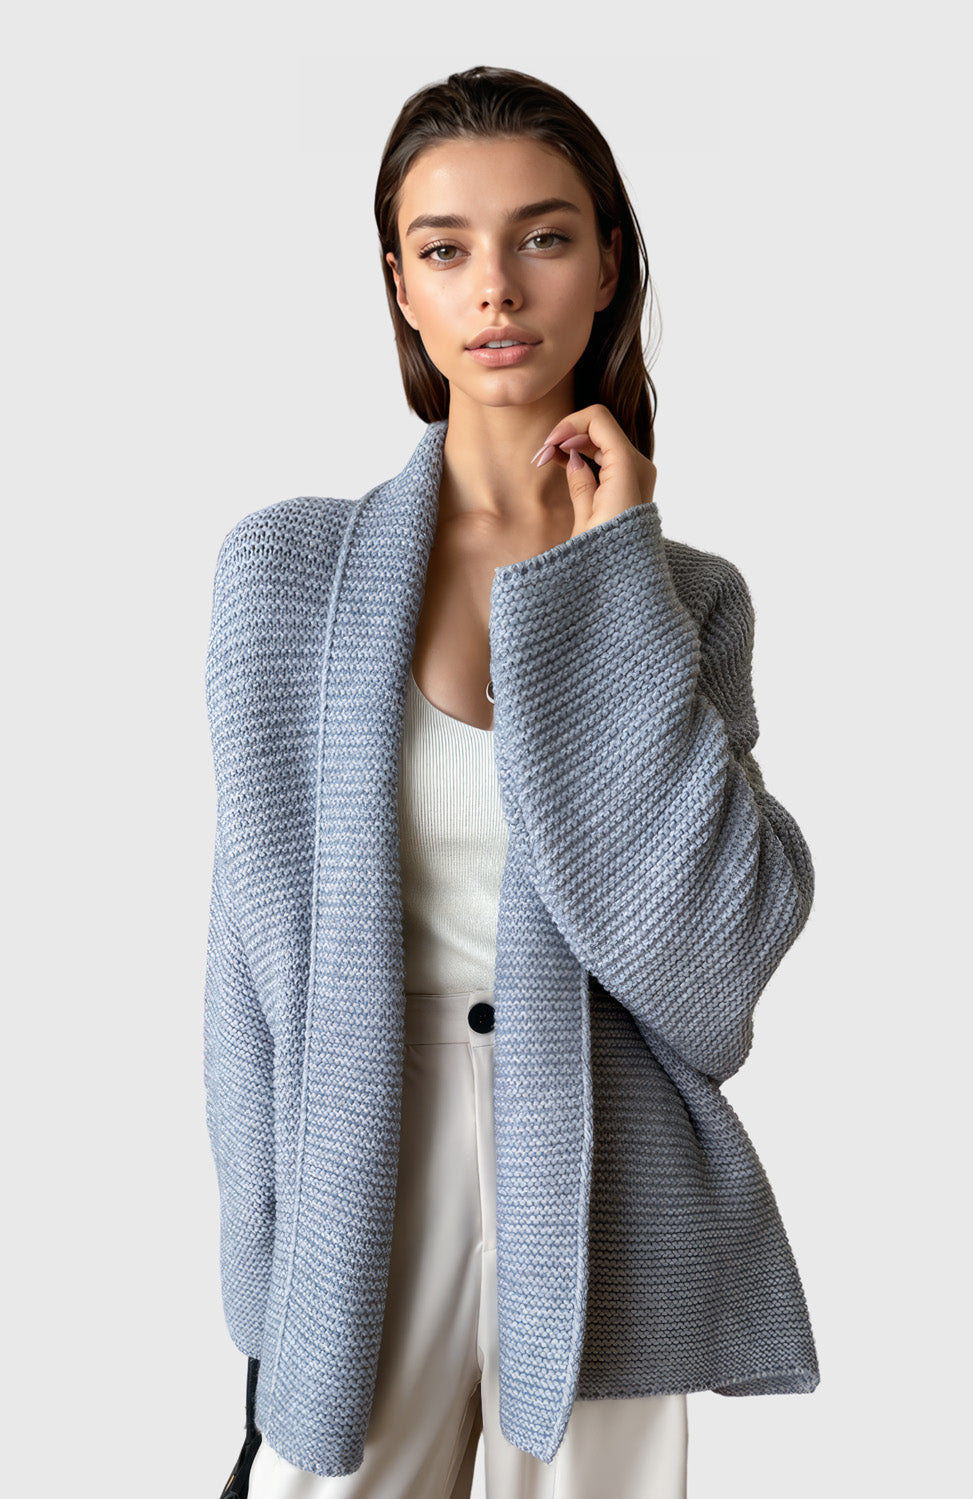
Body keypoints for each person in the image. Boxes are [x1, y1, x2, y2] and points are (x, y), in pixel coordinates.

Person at [203, 65, 820, 1499]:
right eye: (445, 248)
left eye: (543, 236)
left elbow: (713, 969)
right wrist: (266, 1267)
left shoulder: (687, 601)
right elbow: (247, 960)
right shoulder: (287, 579)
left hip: (609, 1175)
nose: (496, 286)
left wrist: (615, 581)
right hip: (364, 1166)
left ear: (608, 266)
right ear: (401, 288)